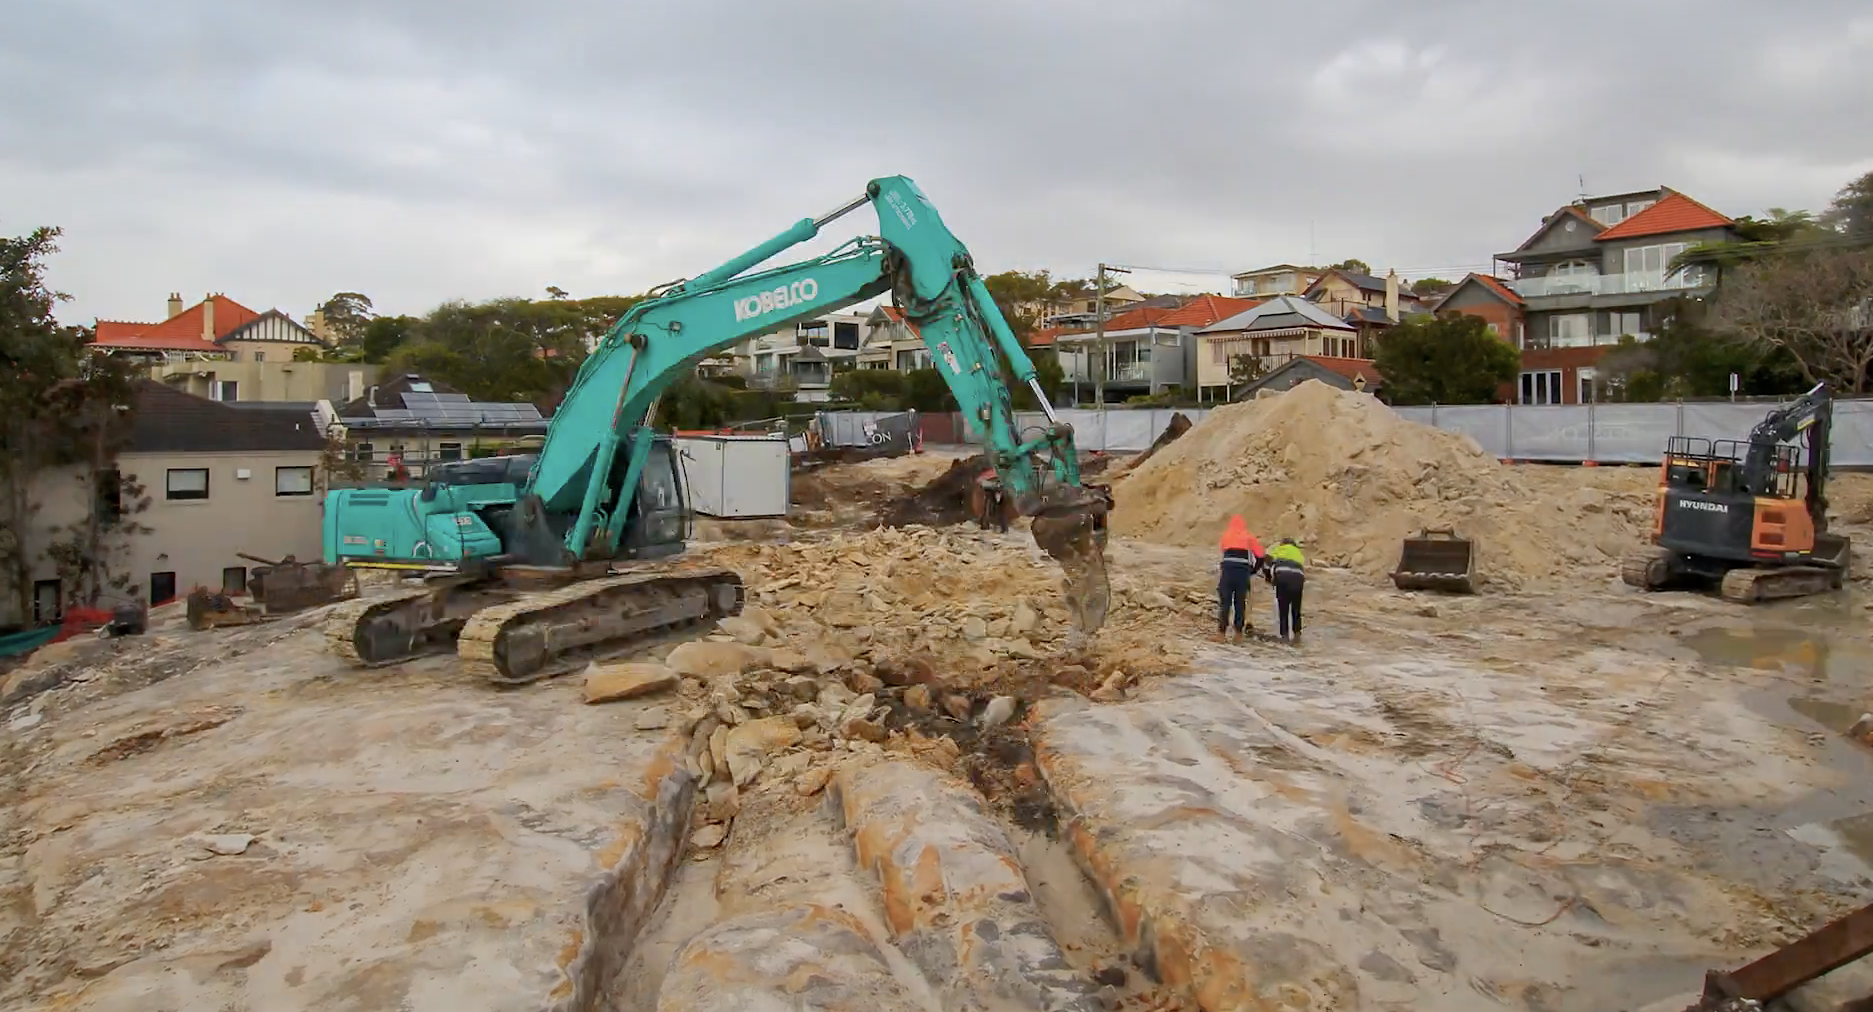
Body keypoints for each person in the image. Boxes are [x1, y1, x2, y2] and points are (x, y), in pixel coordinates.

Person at [1217, 515, 1264, 642]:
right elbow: (1260, 556)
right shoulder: (1249, 537)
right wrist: (1253, 570)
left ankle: (1221, 633)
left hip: (1227, 571)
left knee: (1225, 602)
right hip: (1242, 573)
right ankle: (1238, 634)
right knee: (1240, 603)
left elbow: (1223, 551)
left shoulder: (1226, 535)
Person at [1263, 537, 1306, 645]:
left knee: (1283, 607)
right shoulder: (1298, 553)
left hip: (1283, 577)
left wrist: (1268, 578)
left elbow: (1267, 561)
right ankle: (1297, 636)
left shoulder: (1279, 549)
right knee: (1296, 608)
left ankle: (1284, 636)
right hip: (1298, 578)